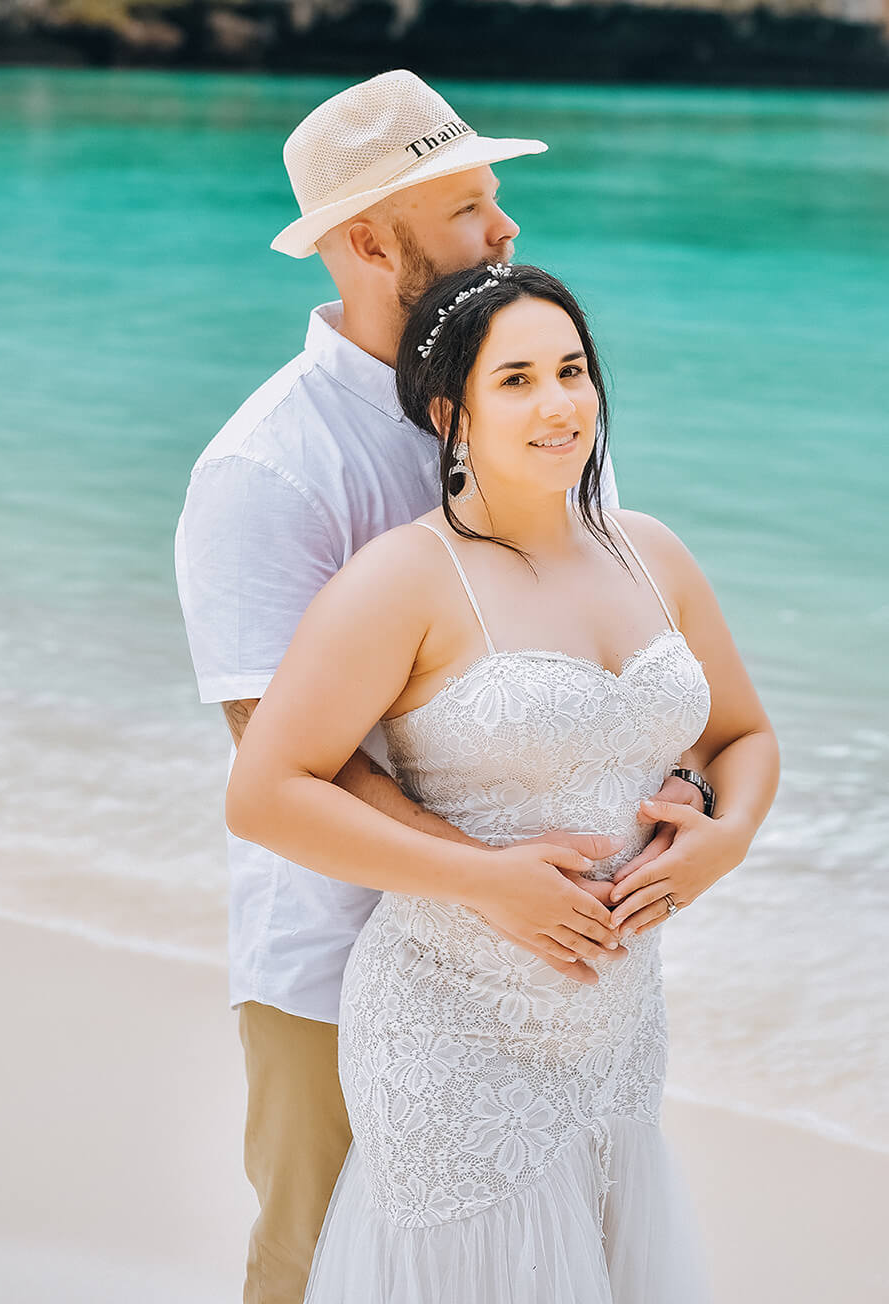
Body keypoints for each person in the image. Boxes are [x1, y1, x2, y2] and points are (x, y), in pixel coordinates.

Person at [175, 71, 705, 1304]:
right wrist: (485, 889)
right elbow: (279, 750)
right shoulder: (268, 466)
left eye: (497, 198)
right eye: (467, 206)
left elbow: (613, 619)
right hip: (338, 955)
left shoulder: (542, 401)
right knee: (317, 1267)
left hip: (564, 973)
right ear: (366, 242)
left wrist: (675, 783)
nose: (506, 230)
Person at [227, 261, 780, 1302]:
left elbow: (742, 734)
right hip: (450, 1025)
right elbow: (265, 790)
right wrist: (479, 877)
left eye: (571, 369)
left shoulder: (649, 550)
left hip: (616, 1022)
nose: (559, 401)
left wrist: (728, 833)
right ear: (453, 412)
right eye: (517, 378)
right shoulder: (403, 577)